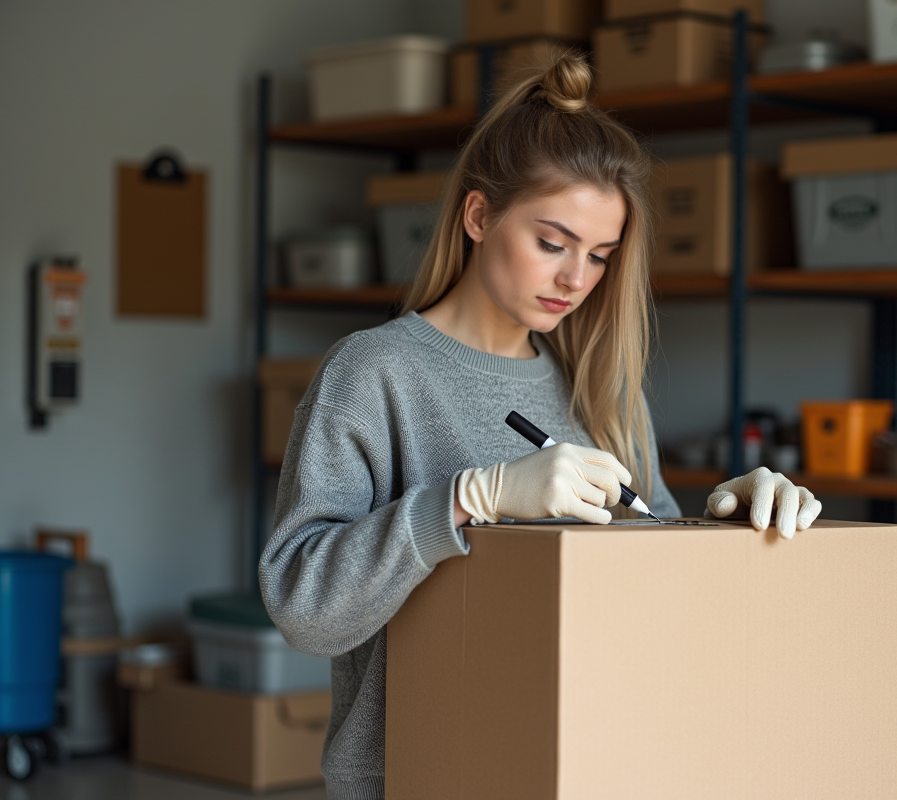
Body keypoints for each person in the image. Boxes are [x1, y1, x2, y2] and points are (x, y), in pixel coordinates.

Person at [259, 52, 822, 800]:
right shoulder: (375, 373)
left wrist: (726, 525)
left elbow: (643, 595)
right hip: (416, 774)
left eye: (599, 256)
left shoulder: (603, 385)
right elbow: (304, 608)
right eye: (552, 243)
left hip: (586, 765)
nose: (575, 281)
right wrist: (465, 499)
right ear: (479, 215)